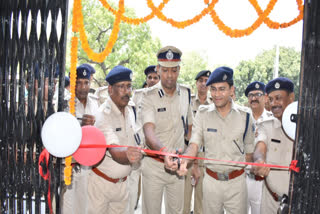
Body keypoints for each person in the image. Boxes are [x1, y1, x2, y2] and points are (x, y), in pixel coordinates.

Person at [174, 66, 255, 214]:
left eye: (222, 89)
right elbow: (194, 144)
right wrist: (185, 160)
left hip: (236, 184)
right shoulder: (203, 114)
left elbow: (249, 153)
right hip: (210, 182)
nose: (217, 94)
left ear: (232, 90)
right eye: (214, 89)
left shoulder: (246, 116)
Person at [141, 46, 193, 214]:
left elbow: (190, 130)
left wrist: (192, 161)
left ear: (179, 69)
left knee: (177, 211)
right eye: (165, 70)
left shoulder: (186, 94)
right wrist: (163, 152)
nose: (169, 75)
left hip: (177, 168)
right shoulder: (148, 96)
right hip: (154, 166)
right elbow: (149, 132)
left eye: (173, 70)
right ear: (158, 69)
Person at [87, 65, 143, 214]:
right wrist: (128, 155)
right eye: (122, 87)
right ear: (110, 89)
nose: (127, 92)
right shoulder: (102, 115)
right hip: (101, 185)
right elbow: (115, 150)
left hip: (123, 185)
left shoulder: (131, 110)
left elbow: (137, 140)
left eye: (129, 86)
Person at [252, 77, 295, 214]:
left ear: (291, 97)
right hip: (271, 201)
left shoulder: (305, 128)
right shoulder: (266, 126)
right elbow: (260, 146)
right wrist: (259, 161)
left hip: (298, 204)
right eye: (270, 99)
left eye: (278, 98)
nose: (274, 103)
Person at [61, 64, 99, 214]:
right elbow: (59, 133)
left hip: (88, 166)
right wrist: (79, 126)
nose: (83, 87)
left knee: (83, 207)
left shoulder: (95, 103)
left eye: (86, 83)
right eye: (78, 82)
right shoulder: (63, 103)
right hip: (68, 164)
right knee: (67, 207)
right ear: (72, 82)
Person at [127, 65, 161, 214]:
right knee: (132, 186)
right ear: (146, 80)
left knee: (151, 192)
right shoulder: (137, 95)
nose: (152, 80)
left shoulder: (164, 96)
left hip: (154, 151)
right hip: (137, 146)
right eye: (150, 77)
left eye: (155, 77)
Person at [183, 70, 211, 214]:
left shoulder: (214, 105)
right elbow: (187, 132)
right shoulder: (188, 102)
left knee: (201, 204)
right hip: (188, 158)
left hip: (205, 159)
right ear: (196, 83)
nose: (203, 83)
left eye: (207, 80)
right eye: (200, 80)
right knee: (184, 202)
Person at [244, 81, 272, 214]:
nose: (254, 98)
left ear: (265, 97)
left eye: (258, 94)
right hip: (241, 176)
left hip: (261, 181)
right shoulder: (241, 117)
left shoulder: (272, 120)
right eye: (250, 95)